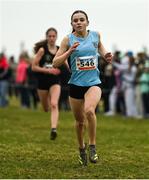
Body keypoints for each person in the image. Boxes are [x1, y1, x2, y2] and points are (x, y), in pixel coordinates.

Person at [53, 10, 113, 165]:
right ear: (72, 24)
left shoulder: (95, 35)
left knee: (89, 111)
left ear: (87, 22)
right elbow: (55, 63)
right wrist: (69, 52)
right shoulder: (68, 39)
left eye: (81, 19)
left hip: (93, 82)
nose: (78, 22)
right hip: (75, 85)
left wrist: (106, 55)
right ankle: (81, 149)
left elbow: (101, 49)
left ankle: (92, 146)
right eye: (75, 20)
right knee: (80, 122)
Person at [32, 27, 61, 140]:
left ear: (56, 37)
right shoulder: (42, 50)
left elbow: (65, 64)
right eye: (50, 36)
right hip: (42, 82)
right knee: (45, 108)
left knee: (54, 104)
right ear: (46, 37)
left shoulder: (59, 50)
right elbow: (34, 67)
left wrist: (71, 71)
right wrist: (48, 70)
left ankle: (53, 129)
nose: (52, 38)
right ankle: (47, 107)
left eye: (54, 36)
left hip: (55, 81)